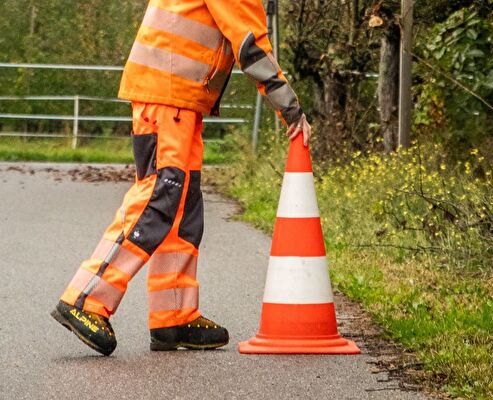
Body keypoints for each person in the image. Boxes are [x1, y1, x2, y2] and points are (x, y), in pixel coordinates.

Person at [51, 0, 312, 356]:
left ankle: (173, 316)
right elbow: (249, 45)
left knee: (182, 206)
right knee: (160, 194)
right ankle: (85, 299)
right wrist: (290, 109)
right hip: (168, 94)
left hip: (177, 96)